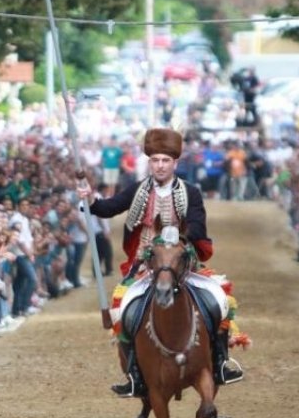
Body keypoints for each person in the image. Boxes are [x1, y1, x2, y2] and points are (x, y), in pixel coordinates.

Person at [78, 128, 243, 397]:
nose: (160, 165)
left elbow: (199, 226)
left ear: (175, 163)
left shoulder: (191, 192)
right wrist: (90, 199)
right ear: (149, 162)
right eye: (155, 160)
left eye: (165, 160)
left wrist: (177, 243)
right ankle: (134, 374)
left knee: (219, 299)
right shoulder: (138, 190)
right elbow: (108, 208)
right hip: (145, 265)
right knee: (123, 310)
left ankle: (220, 363)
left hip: (181, 264)